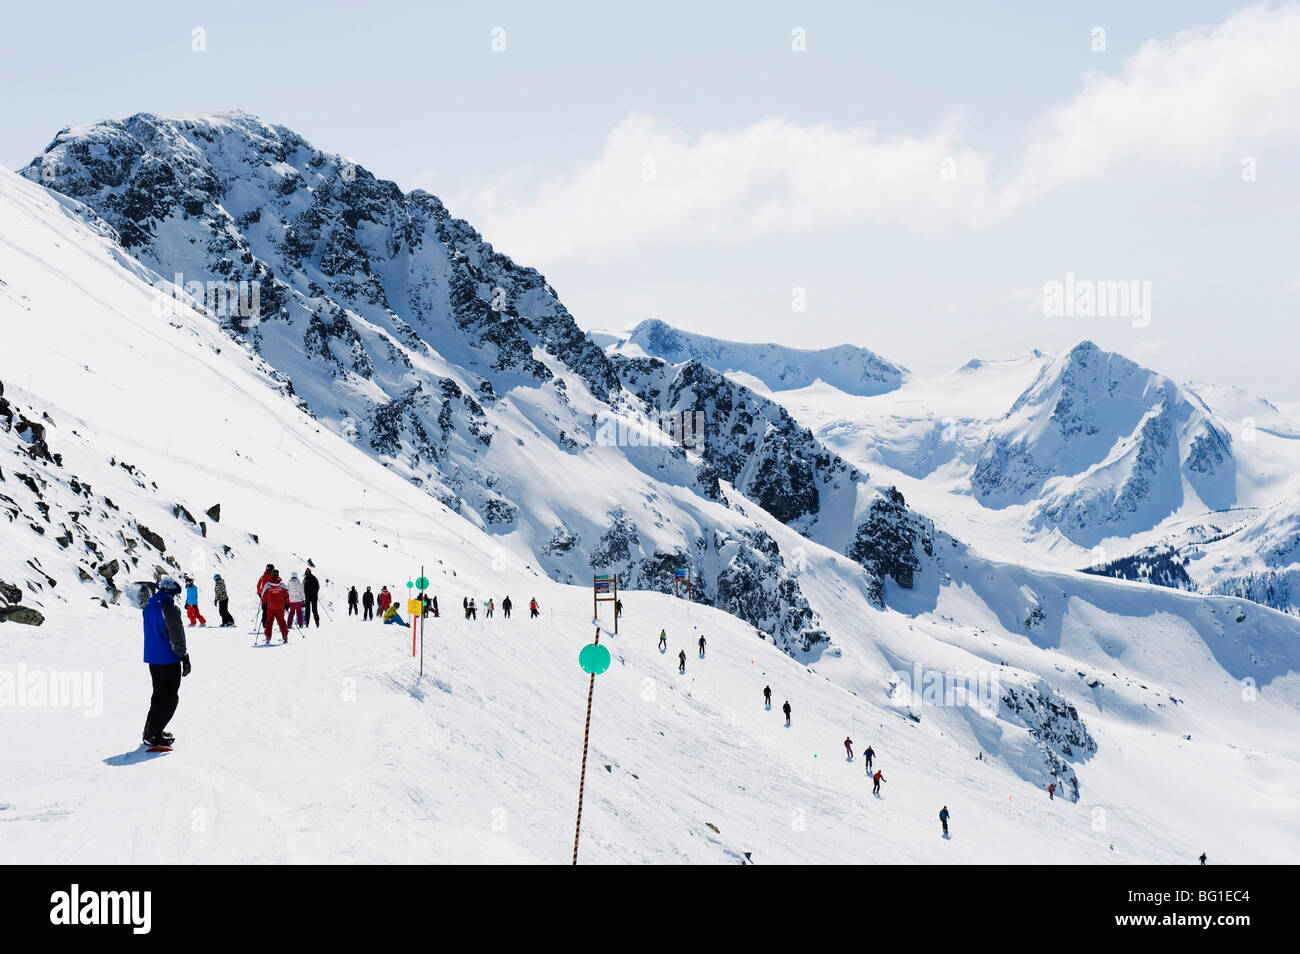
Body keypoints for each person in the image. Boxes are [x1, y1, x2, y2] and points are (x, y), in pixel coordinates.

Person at [141, 577, 191, 747]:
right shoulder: (168, 607)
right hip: (168, 659)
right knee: (170, 699)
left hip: (153, 659)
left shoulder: (149, 606)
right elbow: (177, 636)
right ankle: (154, 734)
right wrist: (184, 656)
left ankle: (151, 731)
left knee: (158, 696)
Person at [261, 571, 291, 643]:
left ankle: (268, 637)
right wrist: (287, 604)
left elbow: (263, 596)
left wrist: (264, 605)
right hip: (280, 607)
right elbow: (286, 596)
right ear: (278, 575)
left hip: (270, 607)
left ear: (271, 575)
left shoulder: (267, 585)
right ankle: (285, 636)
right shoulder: (282, 585)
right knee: (282, 622)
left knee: (269, 622)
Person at [256, 564, 275, 628]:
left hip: (263, 596)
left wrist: (260, 593)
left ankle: (264, 624)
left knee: (265, 610)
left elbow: (258, 586)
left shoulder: (262, 577)